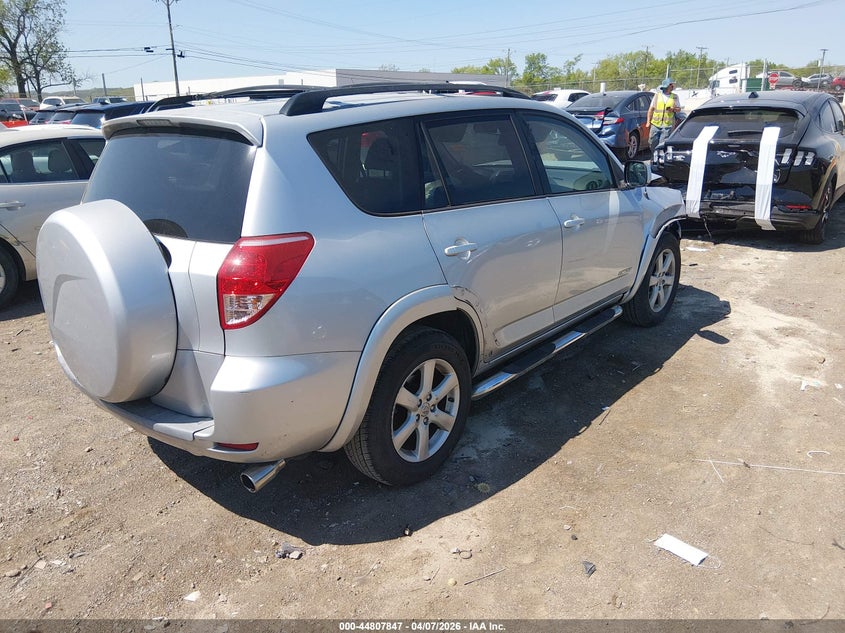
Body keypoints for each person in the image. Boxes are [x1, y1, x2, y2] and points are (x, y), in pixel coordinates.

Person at [645, 78, 681, 151]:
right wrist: (648, 122)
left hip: (667, 126)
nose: (673, 86)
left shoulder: (675, 97)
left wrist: (673, 109)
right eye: (671, 85)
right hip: (655, 125)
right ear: (668, 86)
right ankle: (653, 156)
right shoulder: (657, 96)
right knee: (652, 143)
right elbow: (651, 110)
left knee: (662, 145)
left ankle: (659, 159)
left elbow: (679, 109)